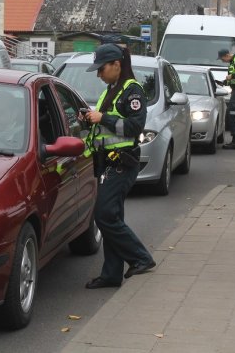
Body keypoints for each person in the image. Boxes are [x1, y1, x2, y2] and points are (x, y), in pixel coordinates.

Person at [81, 43, 155, 289]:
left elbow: (134, 127)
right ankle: (112, 274)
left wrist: (103, 118)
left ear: (116, 65)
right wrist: (90, 119)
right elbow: (106, 126)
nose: (98, 74)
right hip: (107, 162)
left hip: (122, 162)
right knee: (112, 216)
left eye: (101, 69)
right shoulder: (112, 89)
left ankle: (141, 258)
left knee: (103, 215)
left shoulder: (131, 90)